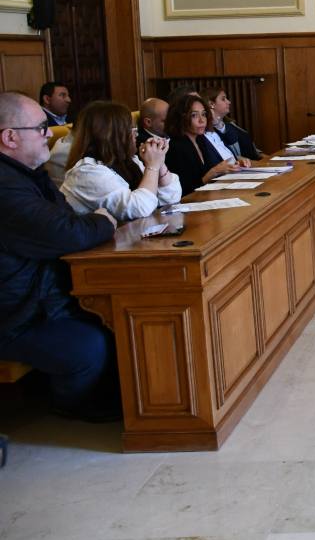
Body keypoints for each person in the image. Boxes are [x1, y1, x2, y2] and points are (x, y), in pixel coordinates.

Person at [0, 92, 119, 422]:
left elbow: (67, 220)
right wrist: (101, 221)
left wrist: (90, 224)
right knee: (89, 345)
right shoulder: (5, 186)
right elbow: (70, 232)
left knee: (119, 321)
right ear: (9, 137)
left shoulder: (29, 173)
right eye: (39, 128)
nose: (50, 133)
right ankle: (71, 401)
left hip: (44, 298)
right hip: (16, 316)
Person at [60, 101, 181, 221]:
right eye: (131, 129)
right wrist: (153, 166)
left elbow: (171, 197)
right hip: (103, 240)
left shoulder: (128, 160)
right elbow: (139, 208)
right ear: (112, 135)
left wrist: (159, 161)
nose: (136, 135)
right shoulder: (87, 171)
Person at [164, 94, 238, 196]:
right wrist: (212, 173)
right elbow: (183, 191)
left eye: (203, 114)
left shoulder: (200, 139)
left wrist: (231, 167)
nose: (202, 120)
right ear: (181, 117)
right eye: (194, 115)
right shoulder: (175, 146)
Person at [200, 87, 261, 160]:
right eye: (223, 99)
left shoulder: (230, 123)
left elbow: (250, 146)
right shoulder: (207, 131)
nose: (229, 102)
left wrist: (265, 158)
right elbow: (230, 156)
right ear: (211, 104)